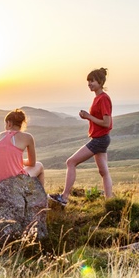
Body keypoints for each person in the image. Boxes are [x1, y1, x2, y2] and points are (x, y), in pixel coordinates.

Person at [49, 67, 113, 206]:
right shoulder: (98, 98)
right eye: (88, 81)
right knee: (104, 172)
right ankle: (110, 202)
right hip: (101, 138)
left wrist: (88, 116)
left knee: (70, 162)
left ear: (100, 81)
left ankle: (64, 197)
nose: (89, 84)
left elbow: (106, 122)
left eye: (92, 81)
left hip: (99, 139)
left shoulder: (103, 99)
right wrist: (87, 117)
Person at [0, 109, 44, 187]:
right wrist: (21, 161)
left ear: (9, 123)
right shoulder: (28, 137)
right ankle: (41, 197)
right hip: (14, 183)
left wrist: (17, 161)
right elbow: (32, 163)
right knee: (39, 165)